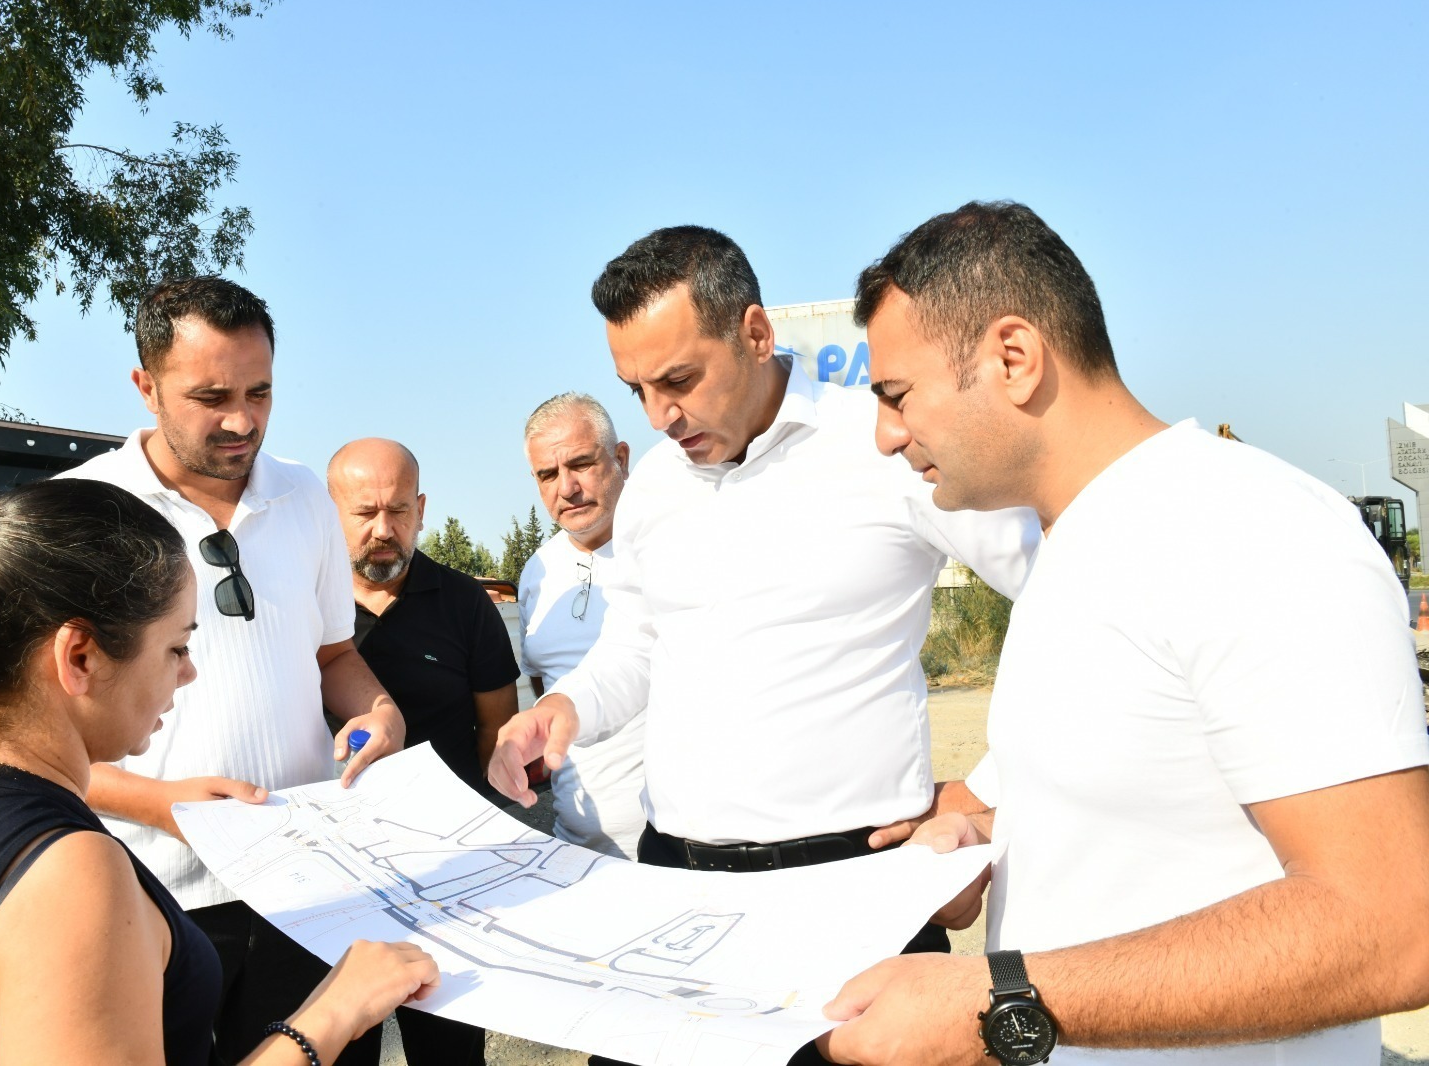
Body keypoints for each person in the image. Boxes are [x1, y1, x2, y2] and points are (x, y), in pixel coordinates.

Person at [816, 201, 1429, 1066]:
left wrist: (1003, 1001)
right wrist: (985, 843)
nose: (884, 438)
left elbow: (1393, 925)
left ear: (1014, 358)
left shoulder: (1251, 534)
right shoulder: (1071, 548)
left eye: (896, 397)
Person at [487, 226, 1041, 1064]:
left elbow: (1068, 600)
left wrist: (992, 791)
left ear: (754, 332)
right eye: (637, 389)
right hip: (676, 889)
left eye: (679, 380)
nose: (660, 416)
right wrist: (565, 708)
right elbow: (638, 642)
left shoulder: (885, 445)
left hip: (852, 892)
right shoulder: (653, 487)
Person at [0, 479, 439, 1065]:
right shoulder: (71, 882)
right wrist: (335, 1012)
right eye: (176, 647)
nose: (188, 673)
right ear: (80, 657)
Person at [61, 276, 407, 1065]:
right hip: (150, 896)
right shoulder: (81, 513)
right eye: (211, 396)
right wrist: (162, 807)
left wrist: (378, 710)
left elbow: (333, 654)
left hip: (307, 890)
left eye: (260, 392)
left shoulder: (306, 498)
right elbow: (29, 739)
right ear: (146, 386)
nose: (242, 420)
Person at [327, 437, 521, 1066]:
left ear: (422, 509)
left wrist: (486, 848)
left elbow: (496, 731)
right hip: (332, 875)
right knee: (340, 1045)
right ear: (331, 512)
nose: (384, 530)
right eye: (365, 512)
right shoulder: (305, 606)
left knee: (450, 1053)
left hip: (445, 876)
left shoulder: (465, 604)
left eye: (400, 510)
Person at [517, 392, 645, 860]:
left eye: (581, 464)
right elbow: (545, 683)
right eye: (547, 474)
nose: (566, 488)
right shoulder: (536, 572)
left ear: (621, 458)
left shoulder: (664, 545)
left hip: (680, 852)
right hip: (573, 849)